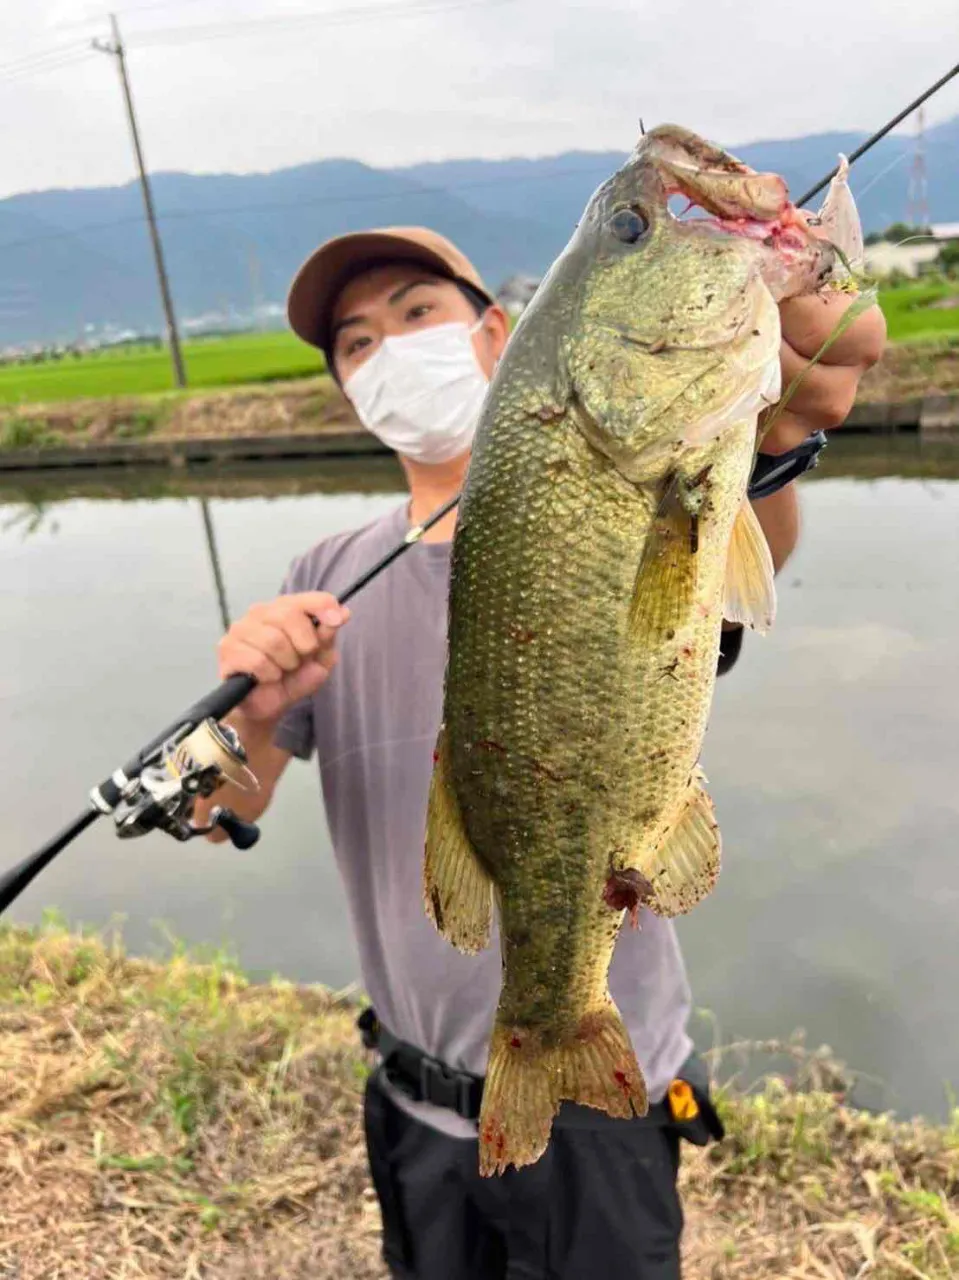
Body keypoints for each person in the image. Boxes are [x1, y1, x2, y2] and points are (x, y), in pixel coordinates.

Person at [199, 225, 886, 1279]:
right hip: (412, 1101)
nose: (385, 347)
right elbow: (214, 808)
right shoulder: (323, 578)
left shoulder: (631, 494)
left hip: (603, 1100)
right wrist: (250, 713)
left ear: (498, 336)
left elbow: (745, 546)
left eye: (414, 312)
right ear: (345, 385)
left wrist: (772, 433)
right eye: (354, 340)